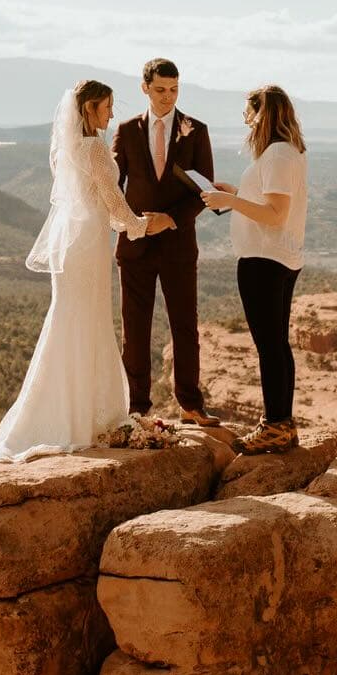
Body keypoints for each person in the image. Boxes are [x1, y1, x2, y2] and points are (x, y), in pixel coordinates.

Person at [0, 81, 175, 462]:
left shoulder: (69, 148)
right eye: (107, 107)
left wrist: (131, 223)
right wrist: (148, 224)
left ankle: (67, 410)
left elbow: (94, 202)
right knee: (86, 320)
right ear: (90, 108)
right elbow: (114, 203)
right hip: (89, 244)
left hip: (76, 242)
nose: (112, 114)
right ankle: (80, 416)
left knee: (71, 320)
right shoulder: (93, 147)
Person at [202, 86, 309, 453]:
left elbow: (276, 215)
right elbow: (268, 203)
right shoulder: (285, 152)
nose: (245, 120)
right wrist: (234, 194)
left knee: (270, 347)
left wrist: (230, 201)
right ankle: (282, 424)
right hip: (277, 257)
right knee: (277, 345)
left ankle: (276, 426)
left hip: (265, 260)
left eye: (248, 113)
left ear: (262, 113)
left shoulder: (278, 154)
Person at [113, 57, 216, 424]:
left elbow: (204, 191)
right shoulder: (126, 131)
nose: (167, 97)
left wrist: (169, 219)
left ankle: (191, 404)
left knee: (185, 326)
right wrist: (136, 224)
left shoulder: (196, 131)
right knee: (134, 330)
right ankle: (137, 405)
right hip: (135, 246)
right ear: (145, 88)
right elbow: (112, 189)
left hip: (178, 246)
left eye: (174, 90)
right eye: (160, 90)